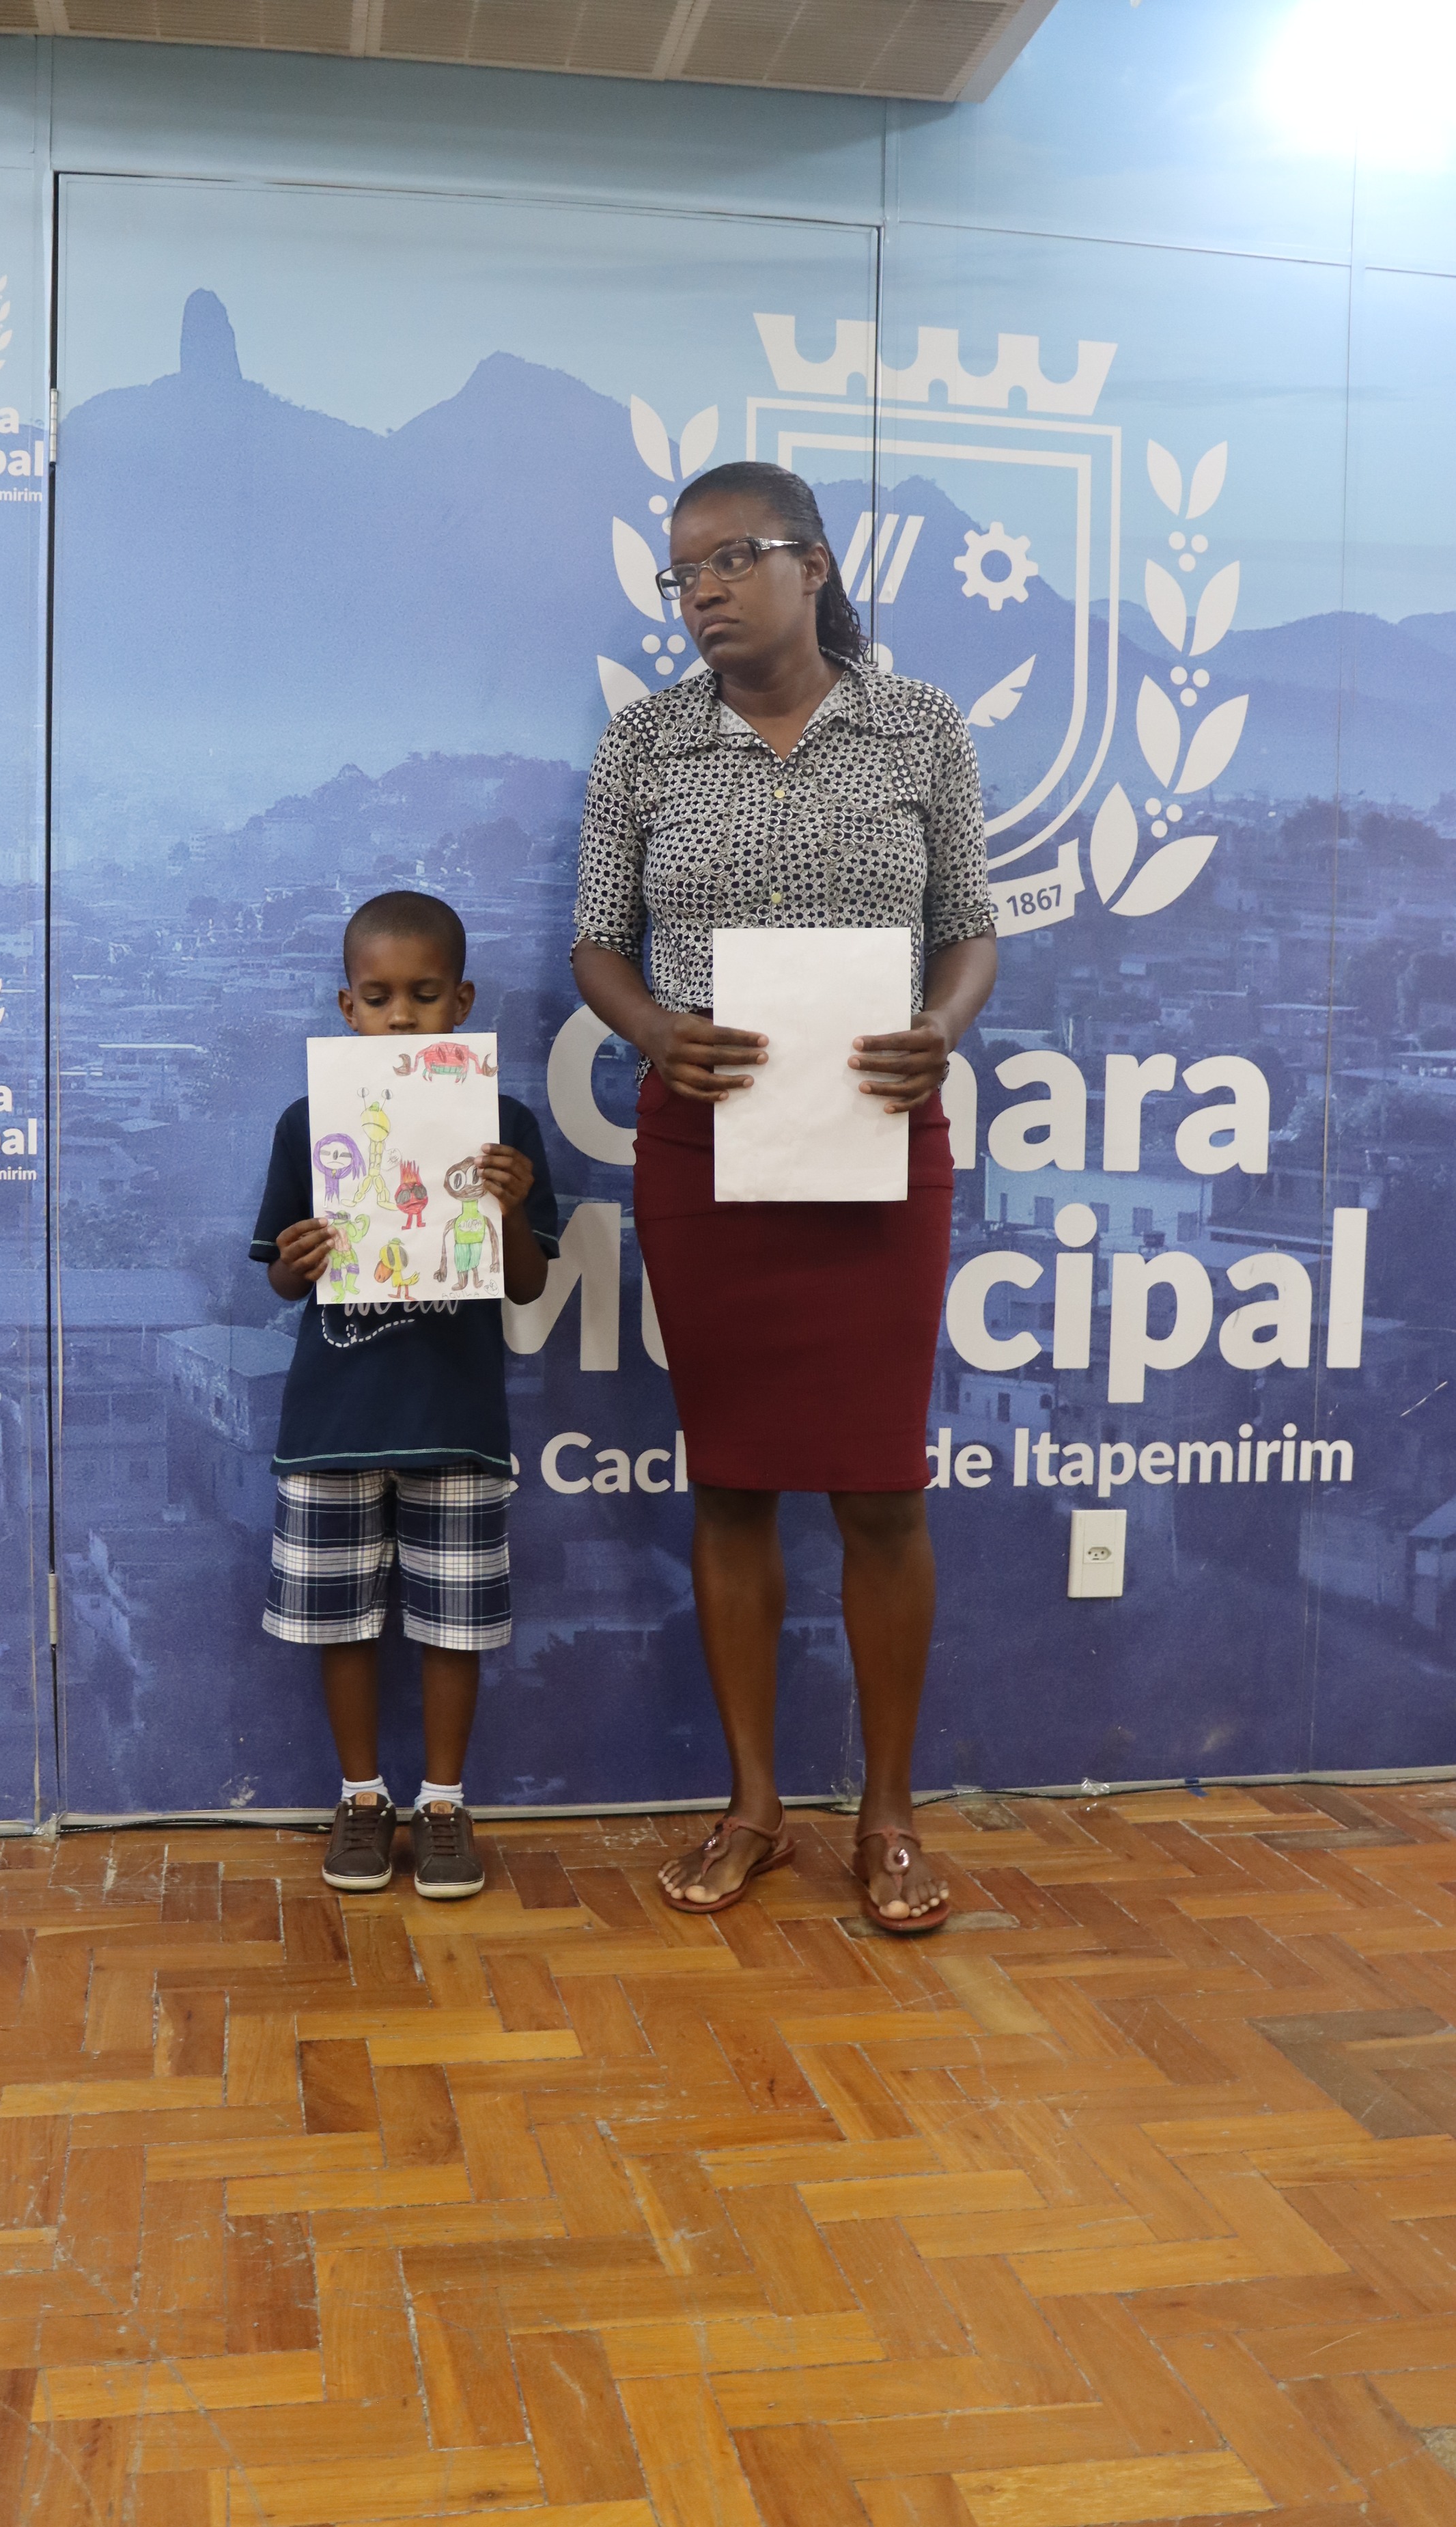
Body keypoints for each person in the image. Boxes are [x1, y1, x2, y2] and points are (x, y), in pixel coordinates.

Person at [572, 465, 997, 1929]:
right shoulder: (644, 744)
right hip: (705, 1150)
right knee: (734, 1479)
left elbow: (969, 930)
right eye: (679, 574)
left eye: (727, 561)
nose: (698, 592)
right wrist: (652, 1030)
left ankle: (888, 1816)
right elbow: (595, 944)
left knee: (879, 1489)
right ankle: (752, 1809)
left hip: (878, 1141)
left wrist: (939, 1030)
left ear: (811, 565)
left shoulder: (919, 726)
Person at [251, 889, 559, 1899]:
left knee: (452, 1625)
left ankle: (442, 1803)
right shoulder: (309, 1122)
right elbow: (280, 1280)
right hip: (333, 1421)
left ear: (462, 1002)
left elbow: (525, 1285)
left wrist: (508, 1207)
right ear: (346, 1007)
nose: (400, 1017)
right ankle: (360, 1796)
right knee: (340, 1622)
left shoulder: (504, 1126)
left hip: (455, 1419)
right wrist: (298, 1259)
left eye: (424, 995)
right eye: (378, 997)